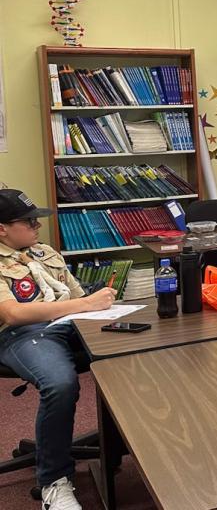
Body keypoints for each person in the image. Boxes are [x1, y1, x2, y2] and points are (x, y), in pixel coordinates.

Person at [0, 189, 117, 510]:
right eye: (29, 221)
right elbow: (13, 313)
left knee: (133, 351)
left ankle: (120, 446)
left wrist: (103, 304)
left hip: (70, 323)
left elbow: (79, 297)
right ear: (2, 229)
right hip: (21, 334)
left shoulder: (44, 252)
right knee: (60, 383)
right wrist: (84, 303)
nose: (37, 227)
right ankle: (53, 481)